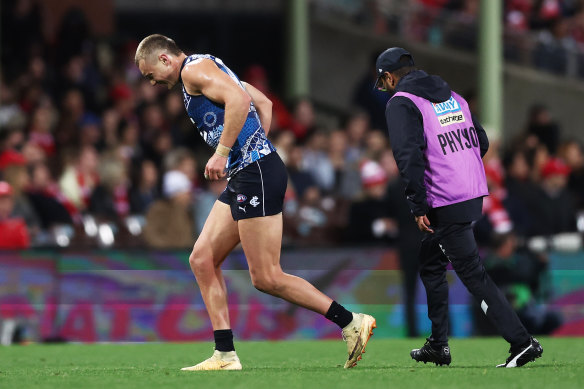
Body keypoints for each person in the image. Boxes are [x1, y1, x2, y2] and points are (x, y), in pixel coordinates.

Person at [134, 34, 375, 371]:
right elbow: (264, 103)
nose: (154, 82)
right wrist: (255, 146)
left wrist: (226, 153)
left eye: (150, 74)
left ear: (163, 59)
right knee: (202, 259)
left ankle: (351, 322)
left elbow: (238, 101)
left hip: (255, 173)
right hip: (250, 172)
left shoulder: (192, 72)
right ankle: (225, 355)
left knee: (266, 277)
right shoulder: (211, 66)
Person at [375, 47, 542, 368]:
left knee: (471, 272)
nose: (385, 87)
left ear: (389, 76)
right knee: (432, 264)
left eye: (384, 81)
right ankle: (438, 344)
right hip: (470, 191)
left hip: (442, 197)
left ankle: (522, 341)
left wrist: (417, 203)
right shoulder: (453, 96)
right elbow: (481, 140)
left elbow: (407, 155)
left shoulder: (402, 102)